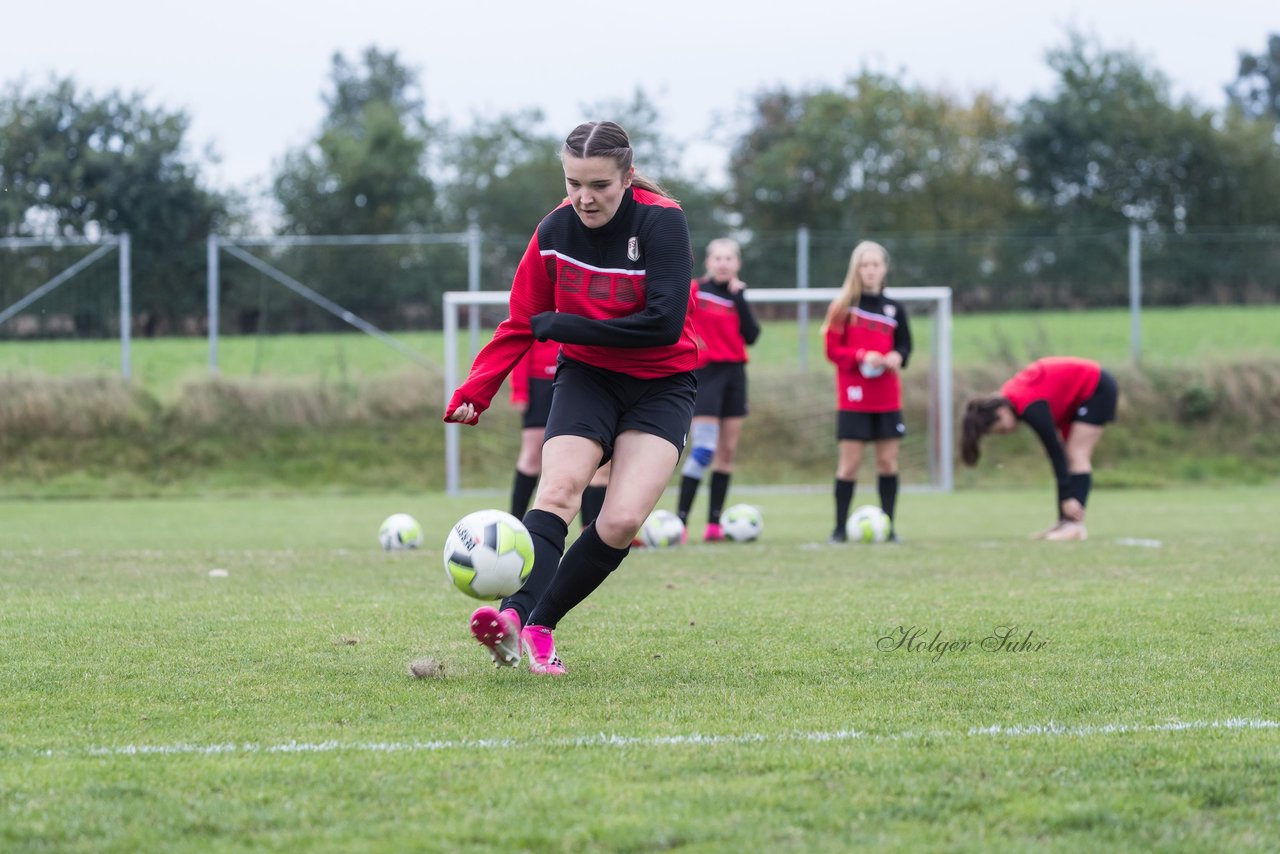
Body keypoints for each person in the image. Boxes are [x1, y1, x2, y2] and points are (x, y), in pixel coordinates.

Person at [444, 120, 698, 675]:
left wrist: (566, 325)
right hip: (588, 376)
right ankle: (511, 621)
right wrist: (476, 389)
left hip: (663, 382)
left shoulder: (662, 223)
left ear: (627, 178)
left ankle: (541, 622)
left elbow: (663, 323)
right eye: (573, 183)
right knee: (557, 489)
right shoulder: (555, 230)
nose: (584, 197)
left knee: (620, 521)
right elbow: (520, 321)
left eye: (600, 185)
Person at [960, 356, 1118, 541]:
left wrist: (1067, 498)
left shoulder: (1029, 405)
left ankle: (1075, 526)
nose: (1007, 433)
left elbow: (1055, 452)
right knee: (1071, 454)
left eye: (1002, 429)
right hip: (1078, 394)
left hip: (1096, 387)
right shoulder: (1013, 399)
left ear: (1001, 412)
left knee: (1077, 454)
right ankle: (1064, 523)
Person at [821, 240, 912, 543]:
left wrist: (898, 357)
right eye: (865, 265)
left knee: (887, 462)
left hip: (887, 397)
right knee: (849, 464)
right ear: (856, 269)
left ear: (884, 269)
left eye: (875, 264)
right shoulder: (843, 308)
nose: (870, 270)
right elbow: (833, 350)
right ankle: (838, 529)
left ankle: (889, 527)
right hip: (854, 398)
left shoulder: (894, 308)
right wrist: (861, 356)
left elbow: (904, 345)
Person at [675, 238, 761, 542]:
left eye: (729, 258)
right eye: (718, 258)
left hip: (735, 375)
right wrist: (691, 341)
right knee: (703, 450)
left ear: (737, 264)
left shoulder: (738, 296)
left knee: (726, 453)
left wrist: (740, 299)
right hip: (706, 374)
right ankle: (680, 522)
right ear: (708, 262)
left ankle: (714, 525)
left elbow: (752, 335)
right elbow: (676, 319)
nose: (723, 263)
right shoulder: (696, 289)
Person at [509, 340, 609, 526]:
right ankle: (513, 523)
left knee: (586, 454)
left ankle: (588, 527)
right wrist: (520, 391)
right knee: (532, 455)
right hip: (539, 384)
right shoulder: (537, 311)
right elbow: (522, 339)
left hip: (576, 379)